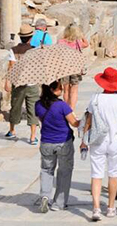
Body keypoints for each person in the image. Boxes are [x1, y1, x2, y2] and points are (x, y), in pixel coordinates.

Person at [82, 68, 117, 221]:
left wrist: (84, 141)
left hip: (98, 140)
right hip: (115, 140)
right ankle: (111, 207)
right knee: (113, 174)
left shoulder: (95, 98)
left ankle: (96, 208)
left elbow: (89, 121)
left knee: (96, 175)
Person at [35, 80, 81, 213]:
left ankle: (44, 195)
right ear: (54, 90)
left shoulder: (38, 105)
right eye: (60, 88)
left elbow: (41, 120)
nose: (62, 90)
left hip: (46, 142)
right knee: (64, 171)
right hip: (63, 142)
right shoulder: (62, 106)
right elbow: (74, 123)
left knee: (46, 169)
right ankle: (58, 203)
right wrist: (81, 120)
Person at [6, 25, 40, 144]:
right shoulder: (35, 50)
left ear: (20, 37)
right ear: (31, 38)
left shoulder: (13, 50)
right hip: (32, 83)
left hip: (19, 83)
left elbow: (11, 67)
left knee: (15, 106)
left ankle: (12, 130)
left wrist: (7, 81)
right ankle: (32, 136)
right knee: (33, 109)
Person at [58, 23, 89, 111]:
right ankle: (72, 109)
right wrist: (82, 36)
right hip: (76, 68)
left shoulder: (61, 42)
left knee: (66, 89)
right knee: (74, 89)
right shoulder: (78, 42)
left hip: (64, 68)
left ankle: (67, 108)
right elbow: (86, 44)